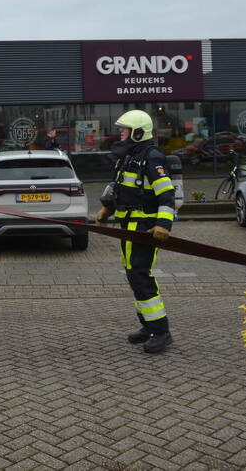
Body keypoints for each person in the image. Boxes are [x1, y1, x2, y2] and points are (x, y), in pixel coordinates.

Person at [95, 110, 177, 354]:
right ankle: (148, 326)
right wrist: (107, 209)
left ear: (138, 132)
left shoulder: (152, 157)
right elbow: (119, 188)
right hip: (128, 226)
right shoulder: (128, 157)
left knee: (140, 275)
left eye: (125, 129)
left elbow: (167, 194)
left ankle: (161, 331)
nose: (121, 132)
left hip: (145, 227)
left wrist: (164, 225)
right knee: (134, 275)